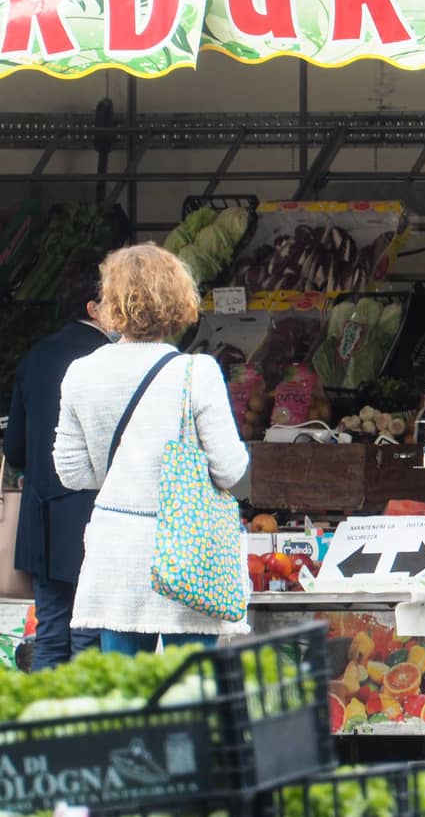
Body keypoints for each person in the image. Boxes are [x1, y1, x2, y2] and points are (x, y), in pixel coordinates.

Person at [54, 245, 250, 654]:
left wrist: (124, 472)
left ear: (110, 302)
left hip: (116, 552)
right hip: (189, 553)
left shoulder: (81, 372)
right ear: (178, 300)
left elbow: (71, 473)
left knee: (128, 700)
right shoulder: (197, 372)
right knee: (191, 693)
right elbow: (230, 470)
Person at [4, 251, 115, 668]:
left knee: (50, 635)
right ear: (94, 308)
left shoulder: (36, 357)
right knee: (87, 637)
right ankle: (86, 731)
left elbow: (14, 449)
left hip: (41, 521)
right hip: (92, 518)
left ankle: (48, 729)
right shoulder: (108, 361)